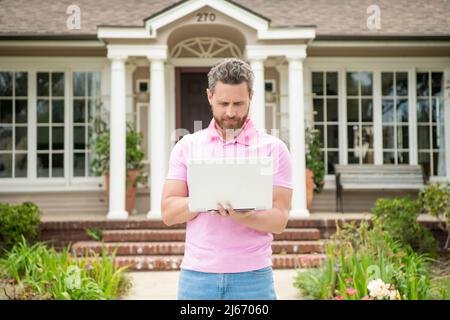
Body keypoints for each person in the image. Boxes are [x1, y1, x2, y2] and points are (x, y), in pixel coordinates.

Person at [161, 58, 293, 300]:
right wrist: (205, 198)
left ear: (251, 96)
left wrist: (245, 215)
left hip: (253, 278)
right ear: (209, 96)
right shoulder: (187, 146)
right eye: (223, 103)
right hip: (197, 276)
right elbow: (168, 213)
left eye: (238, 103)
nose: (231, 112)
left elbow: (280, 221)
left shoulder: (274, 149)